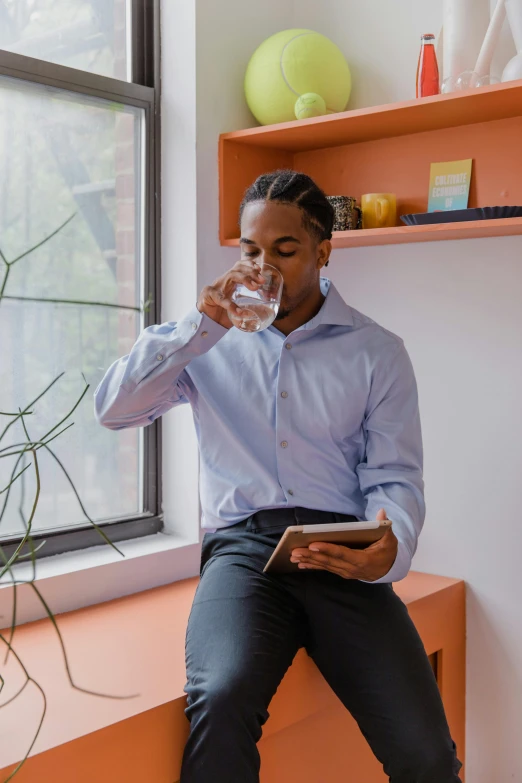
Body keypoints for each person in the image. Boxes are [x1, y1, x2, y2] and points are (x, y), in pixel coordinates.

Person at [94, 170, 463, 782]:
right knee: (221, 694)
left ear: (323, 251)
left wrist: (388, 549)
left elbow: (394, 475)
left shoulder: (378, 352)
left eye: (284, 250)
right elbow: (114, 411)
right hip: (242, 553)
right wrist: (197, 325)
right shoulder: (205, 341)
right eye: (249, 250)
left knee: (425, 750)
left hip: (339, 552)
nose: (262, 267)